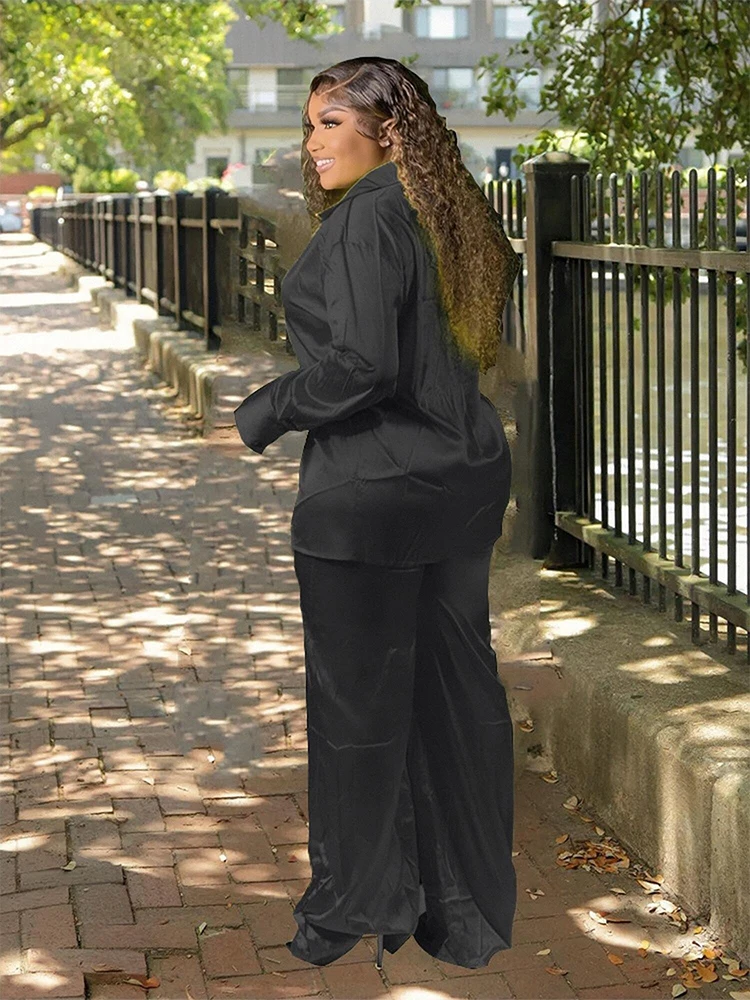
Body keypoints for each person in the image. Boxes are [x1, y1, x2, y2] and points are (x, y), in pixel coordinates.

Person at [233, 56, 521, 971]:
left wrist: (266, 410)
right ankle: (465, 916)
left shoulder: (365, 222)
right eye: (310, 124)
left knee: (359, 711)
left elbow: (360, 367)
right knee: (456, 700)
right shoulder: (451, 214)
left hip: (368, 500)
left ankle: (349, 909)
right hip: (460, 485)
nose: (308, 143)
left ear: (386, 130)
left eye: (327, 123)